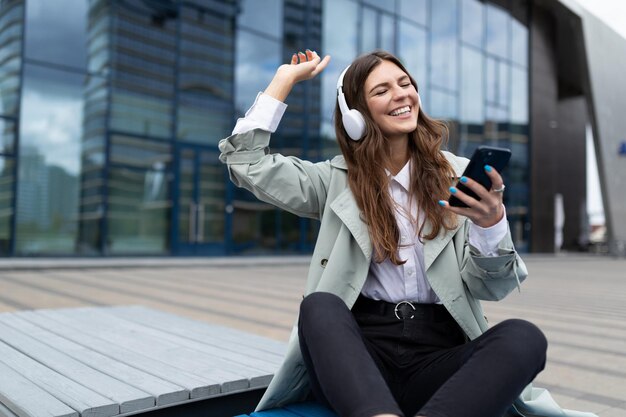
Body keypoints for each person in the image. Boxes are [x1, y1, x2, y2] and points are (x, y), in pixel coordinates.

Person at [219, 50, 597, 417]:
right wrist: (284, 80)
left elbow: (490, 290)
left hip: (439, 356)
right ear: (356, 116)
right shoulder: (333, 181)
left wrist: (490, 225)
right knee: (319, 307)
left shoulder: (459, 178)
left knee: (524, 337)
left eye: (405, 83)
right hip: (359, 362)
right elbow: (245, 162)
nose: (401, 94)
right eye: (381, 90)